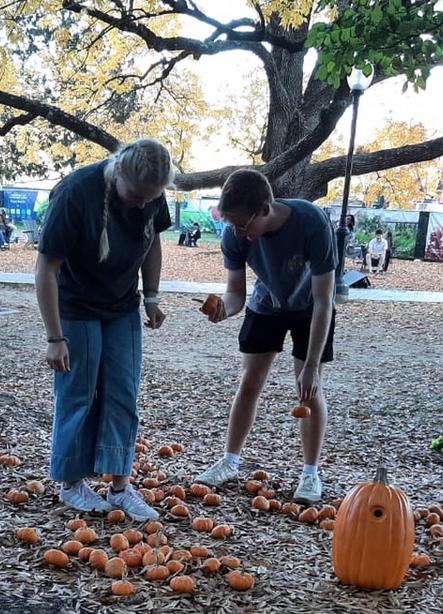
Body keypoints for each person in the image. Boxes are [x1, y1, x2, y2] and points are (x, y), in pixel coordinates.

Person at [35, 139, 174, 519]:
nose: (143, 204)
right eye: (137, 196)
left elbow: (153, 242)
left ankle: (119, 488)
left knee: (123, 394)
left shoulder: (150, 196)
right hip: (75, 307)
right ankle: (72, 483)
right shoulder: (76, 193)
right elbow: (45, 269)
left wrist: (153, 297)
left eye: (152, 198)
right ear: (118, 174)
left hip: (122, 306)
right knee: (79, 392)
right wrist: (55, 337)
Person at [193, 169, 337, 505]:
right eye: (231, 225)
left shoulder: (312, 222)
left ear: (264, 209)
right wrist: (223, 310)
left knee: (308, 391)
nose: (237, 233)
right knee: (249, 381)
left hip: (310, 309)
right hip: (266, 304)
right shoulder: (234, 234)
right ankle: (229, 462)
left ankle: (310, 473)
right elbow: (235, 294)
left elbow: (324, 301)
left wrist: (312, 365)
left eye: (243, 225)